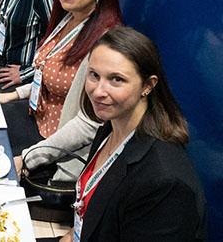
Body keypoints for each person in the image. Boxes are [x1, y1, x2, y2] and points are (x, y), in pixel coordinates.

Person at [55, 27, 207, 242]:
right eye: (94, 75)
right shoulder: (110, 127)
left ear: (148, 85)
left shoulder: (165, 182)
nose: (98, 91)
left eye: (116, 79)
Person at [0, 0, 123, 184]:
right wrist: (12, 95)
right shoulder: (70, 18)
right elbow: (47, 73)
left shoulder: (103, 43)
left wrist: (28, 158)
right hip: (36, 116)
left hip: (56, 147)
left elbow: (90, 124)